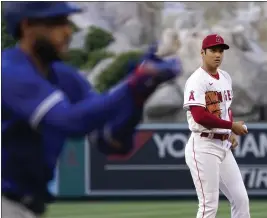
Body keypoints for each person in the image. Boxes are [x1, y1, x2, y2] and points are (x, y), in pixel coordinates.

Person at [2, 2, 182, 218]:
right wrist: (131, 85)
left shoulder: (66, 78)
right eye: (56, 23)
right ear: (27, 26)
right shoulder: (9, 72)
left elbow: (112, 141)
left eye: (66, 22)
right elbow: (69, 122)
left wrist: (138, 96)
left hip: (26, 206)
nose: (67, 31)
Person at [183, 34, 250, 218]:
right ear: (202, 53)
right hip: (203, 146)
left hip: (223, 146)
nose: (218, 54)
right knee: (209, 205)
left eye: (221, 51)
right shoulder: (197, 80)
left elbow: (225, 108)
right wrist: (231, 126)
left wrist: (229, 132)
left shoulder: (225, 77)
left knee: (241, 200)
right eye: (213, 50)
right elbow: (199, 116)